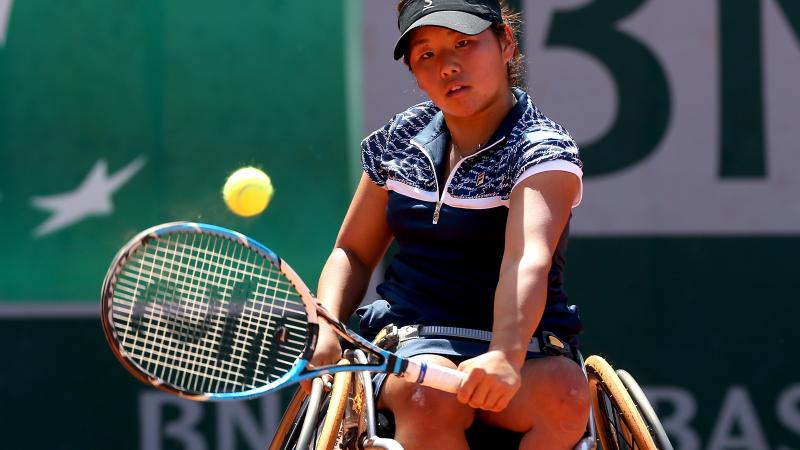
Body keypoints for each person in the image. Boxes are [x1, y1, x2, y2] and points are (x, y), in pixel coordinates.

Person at [311, 0, 589, 448]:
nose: (448, 66)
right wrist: (327, 328)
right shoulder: (400, 139)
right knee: (429, 397)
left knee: (568, 396)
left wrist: (505, 354)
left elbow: (527, 258)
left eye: (464, 43)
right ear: (414, 72)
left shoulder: (540, 147)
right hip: (414, 343)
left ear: (506, 45)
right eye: (427, 54)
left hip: (528, 349)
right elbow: (353, 253)